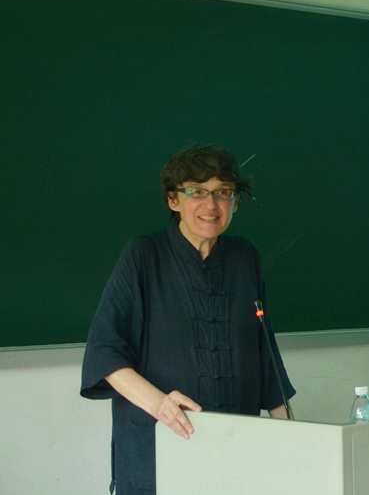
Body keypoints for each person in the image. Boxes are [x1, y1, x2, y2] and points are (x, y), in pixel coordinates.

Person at [81, 144, 296, 495]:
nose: (211, 205)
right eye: (196, 191)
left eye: (223, 192)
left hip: (235, 449)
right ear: (173, 200)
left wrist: (296, 444)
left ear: (235, 202)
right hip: (157, 451)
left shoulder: (245, 257)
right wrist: (159, 404)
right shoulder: (143, 255)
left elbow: (266, 358)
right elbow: (104, 352)